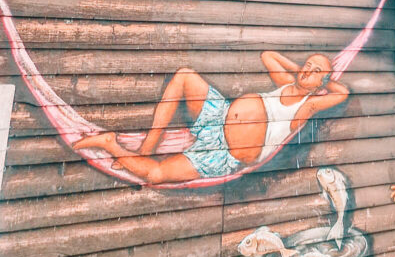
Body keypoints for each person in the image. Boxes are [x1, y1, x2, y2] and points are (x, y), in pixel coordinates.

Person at [73, 51, 347, 185]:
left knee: (156, 175)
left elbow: (342, 92)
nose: (306, 72)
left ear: (322, 82)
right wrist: (300, 66)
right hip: (219, 114)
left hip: (222, 154)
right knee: (184, 76)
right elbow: (268, 56)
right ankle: (148, 146)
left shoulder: (309, 105)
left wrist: (324, 78)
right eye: (307, 67)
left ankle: (110, 144)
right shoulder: (286, 82)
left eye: (314, 72)